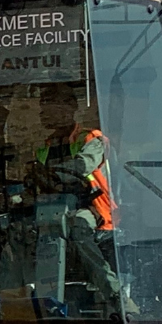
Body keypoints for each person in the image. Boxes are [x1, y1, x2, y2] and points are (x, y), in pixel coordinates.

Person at [36, 119, 124, 312]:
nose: (43, 111)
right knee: (18, 229)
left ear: (69, 109)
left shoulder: (92, 140)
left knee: (77, 226)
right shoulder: (47, 147)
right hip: (57, 206)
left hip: (95, 208)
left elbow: (82, 165)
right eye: (42, 105)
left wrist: (54, 174)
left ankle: (116, 296)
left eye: (49, 105)